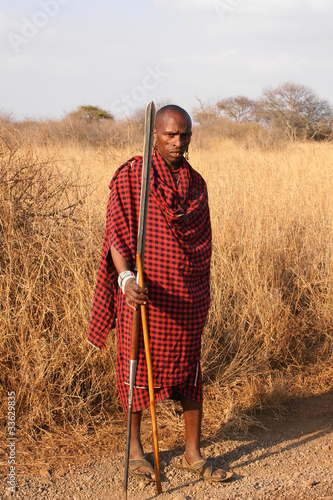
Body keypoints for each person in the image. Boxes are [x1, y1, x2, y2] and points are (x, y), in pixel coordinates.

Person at [88, 105, 233, 483]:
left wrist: (197, 287)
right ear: (155, 134)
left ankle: (192, 453)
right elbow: (116, 235)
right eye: (171, 134)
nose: (178, 142)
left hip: (187, 296)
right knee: (134, 368)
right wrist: (125, 280)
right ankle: (135, 452)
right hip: (142, 294)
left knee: (191, 371)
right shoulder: (132, 176)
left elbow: (202, 245)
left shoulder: (196, 184)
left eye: (184, 135)